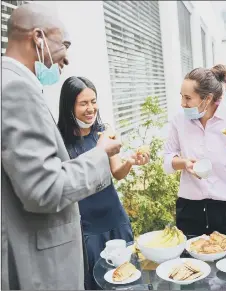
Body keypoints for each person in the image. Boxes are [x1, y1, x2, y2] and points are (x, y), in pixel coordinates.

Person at [1, 3, 122, 290]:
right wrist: (101, 154)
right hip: (40, 267)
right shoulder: (15, 88)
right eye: (64, 44)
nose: (66, 57)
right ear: (38, 37)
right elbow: (44, 189)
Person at [57, 76, 150, 289]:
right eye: (83, 103)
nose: (91, 108)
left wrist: (130, 161)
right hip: (86, 227)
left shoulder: (104, 131)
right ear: (69, 106)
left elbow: (117, 172)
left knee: (128, 279)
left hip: (116, 220)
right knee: (97, 283)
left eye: (93, 101)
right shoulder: (60, 140)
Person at [163, 64, 226, 240]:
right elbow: (167, 157)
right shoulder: (179, 120)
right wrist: (184, 163)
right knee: (189, 264)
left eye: (188, 98)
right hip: (189, 208)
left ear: (207, 99)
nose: (182, 103)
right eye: (181, 97)